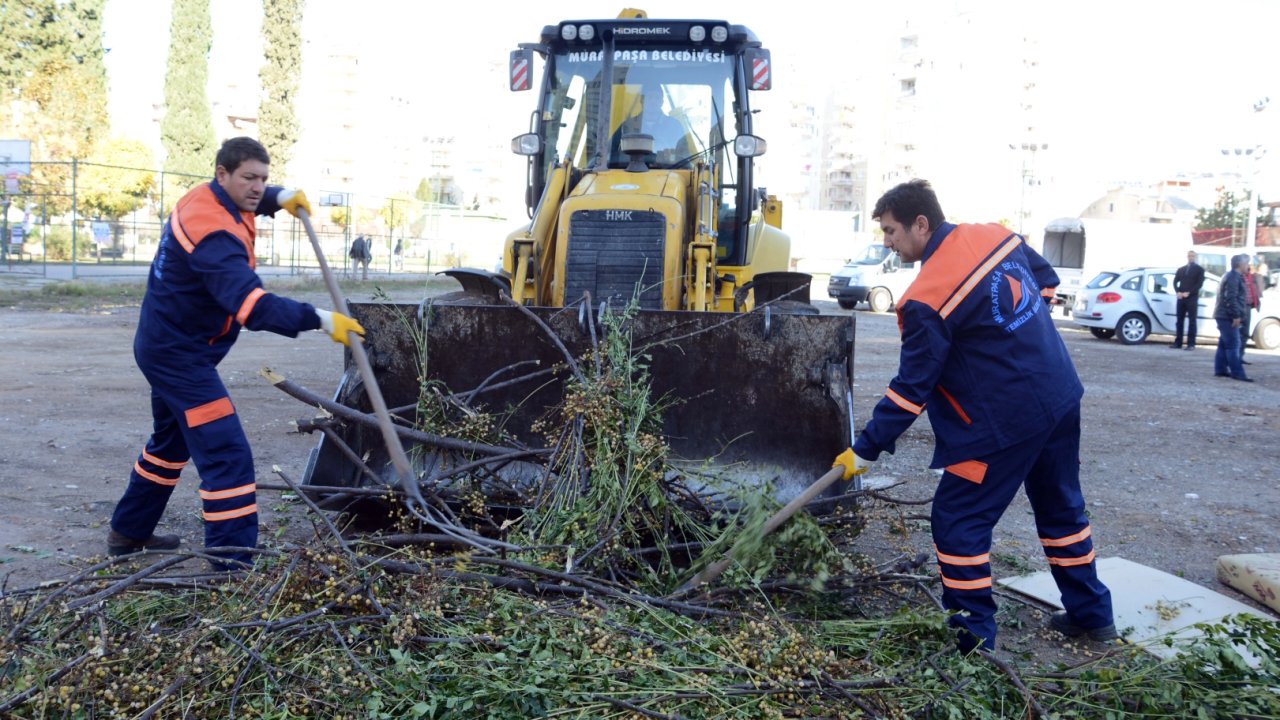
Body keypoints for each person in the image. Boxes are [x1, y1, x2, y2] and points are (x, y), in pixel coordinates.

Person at [831, 179, 1114, 653]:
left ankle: (971, 641)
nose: (887, 241)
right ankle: (1093, 615)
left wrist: (866, 448)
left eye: (891, 230)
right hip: (1060, 395)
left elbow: (911, 390)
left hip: (1002, 425)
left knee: (957, 520)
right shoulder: (995, 236)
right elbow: (1045, 281)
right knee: (1062, 508)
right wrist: (1020, 338)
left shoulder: (926, 298)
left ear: (921, 224)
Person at [108, 137, 366, 568]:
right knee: (226, 452)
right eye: (250, 177)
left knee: (170, 446)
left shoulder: (209, 196)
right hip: (178, 357)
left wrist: (279, 198)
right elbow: (252, 307)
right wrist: (320, 319)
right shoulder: (214, 235)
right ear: (221, 173)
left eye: (263, 178)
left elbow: (249, 197)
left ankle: (128, 533)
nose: (257, 187)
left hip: (171, 345)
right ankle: (233, 565)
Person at [1214, 254, 1252, 381]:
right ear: (1240, 264)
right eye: (1246, 263)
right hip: (1227, 315)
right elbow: (1231, 297)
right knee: (1233, 344)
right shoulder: (1234, 277)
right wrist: (1235, 315)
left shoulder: (1230, 275)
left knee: (1224, 343)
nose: (1248, 266)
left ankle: (1220, 370)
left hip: (1222, 314)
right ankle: (1238, 373)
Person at [1171, 250, 1204, 350]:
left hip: (1192, 298)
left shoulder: (1199, 270)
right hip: (1181, 298)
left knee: (1192, 321)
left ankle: (1191, 344)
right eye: (1189, 256)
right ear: (1187, 257)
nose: (1191, 258)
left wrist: (1189, 292)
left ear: (1196, 257)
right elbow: (1175, 281)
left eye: (1193, 256)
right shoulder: (1181, 269)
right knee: (1179, 320)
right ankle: (1178, 342)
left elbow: (1199, 284)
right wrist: (1178, 292)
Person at [1239, 257, 1263, 364]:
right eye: (1246, 264)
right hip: (1240, 306)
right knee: (1238, 333)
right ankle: (1235, 357)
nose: (1248, 266)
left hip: (1248, 306)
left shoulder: (1251, 276)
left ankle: (1240, 356)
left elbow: (1258, 288)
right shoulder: (1237, 276)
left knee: (1245, 333)